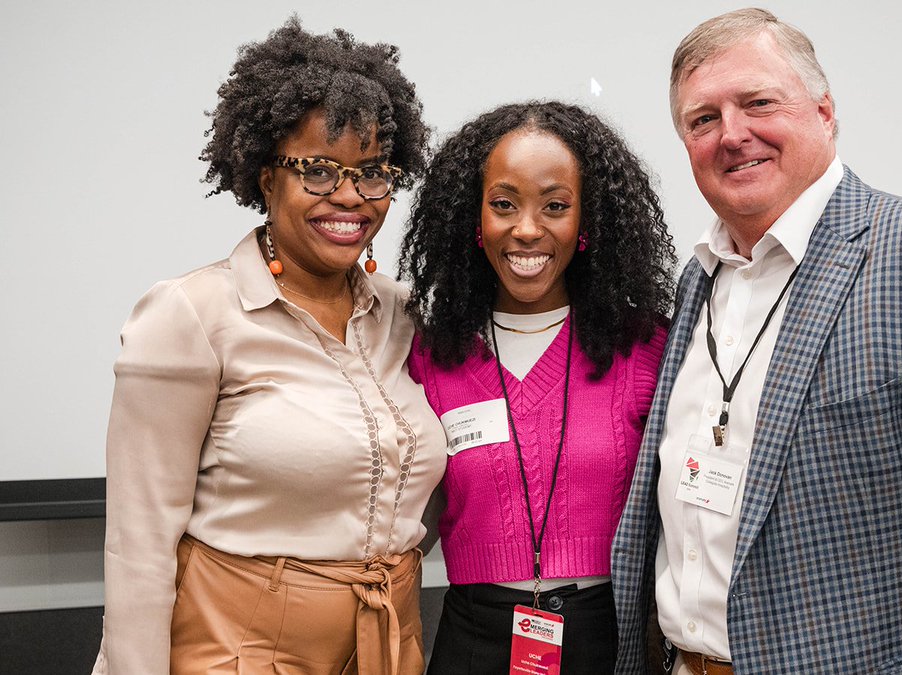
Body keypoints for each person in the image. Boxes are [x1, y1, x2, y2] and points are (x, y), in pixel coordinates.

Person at [611, 8, 902, 674]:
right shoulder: (697, 280)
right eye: (702, 119)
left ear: (825, 112)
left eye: (758, 103)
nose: (732, 134)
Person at [93, 19, 445, 675]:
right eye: (317, 169)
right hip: (236, 652)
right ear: (264, 176)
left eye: (373, 173)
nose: (349, 195)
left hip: (387, 647)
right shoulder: (192, 315)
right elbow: (139, 545)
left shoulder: (404, 315)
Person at [401, 101, 676, 673]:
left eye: (555, 206)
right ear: (472, 221)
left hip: (613, 637)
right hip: (471, 639)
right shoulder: (431, 355)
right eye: (504, 205)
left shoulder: (646, 348)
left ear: (587, 224)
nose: (527, 230)